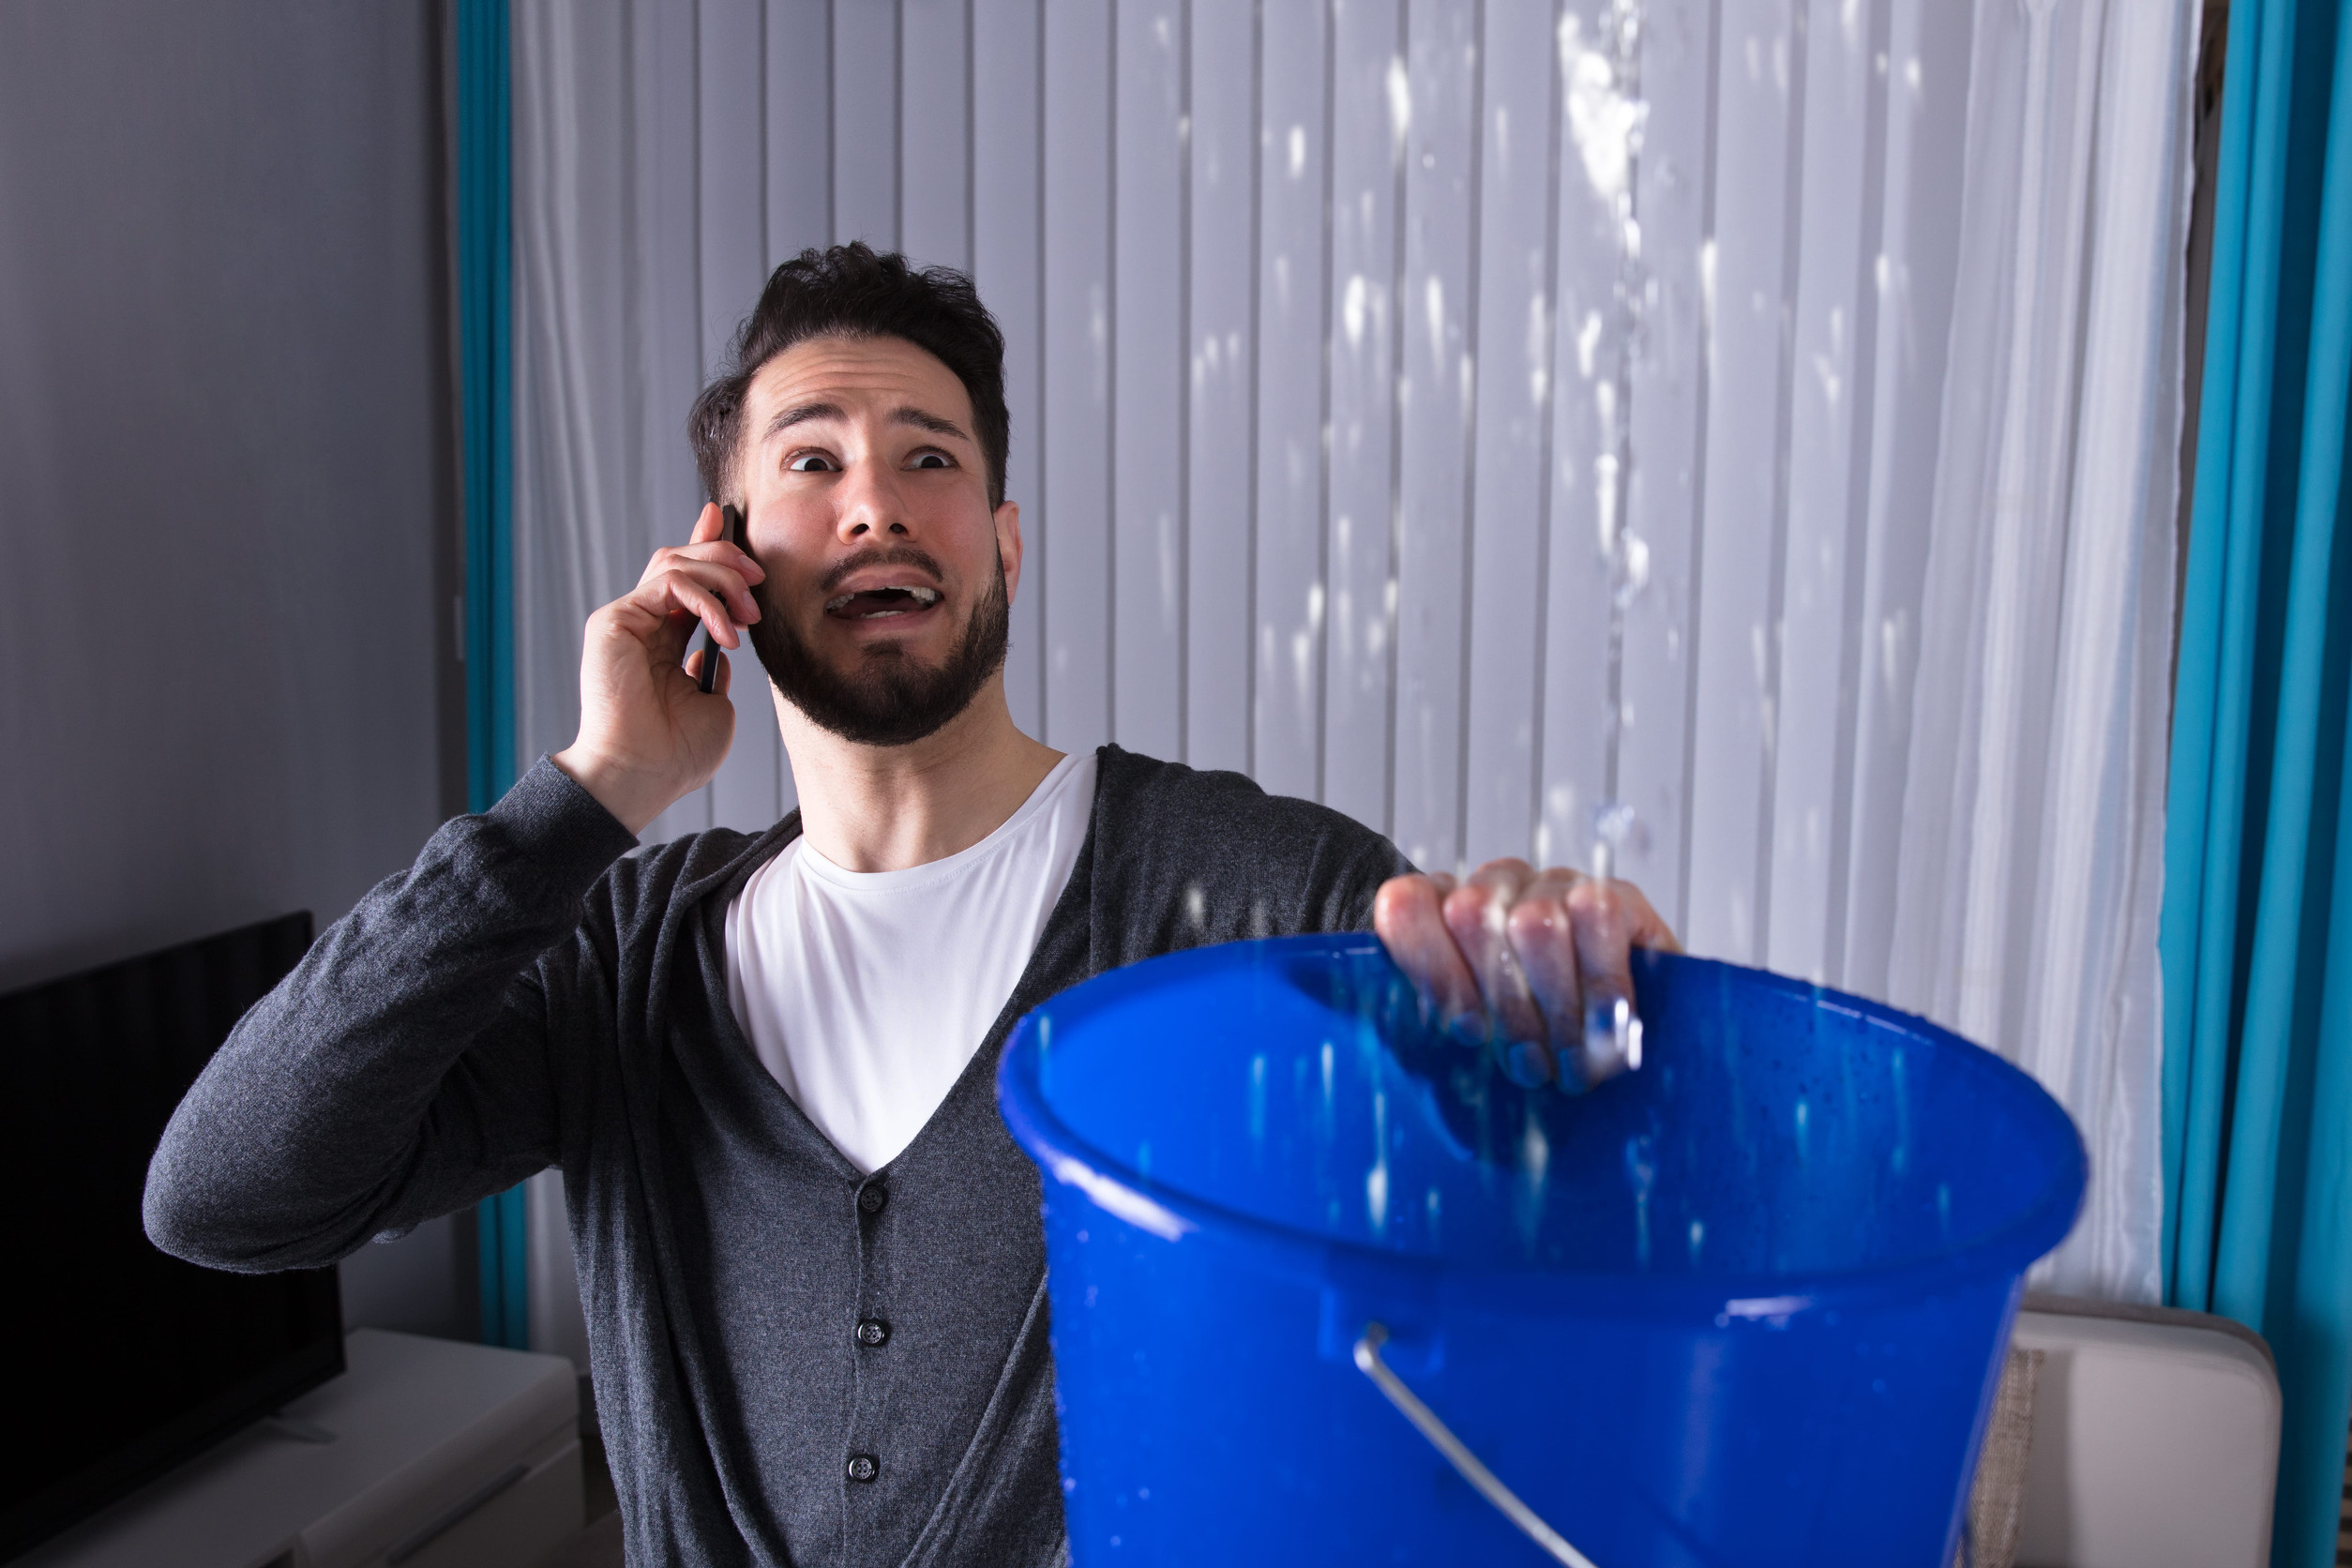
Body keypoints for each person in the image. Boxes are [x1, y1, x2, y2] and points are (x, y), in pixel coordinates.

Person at [145, 243, 1676, 1567]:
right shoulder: (623, 957)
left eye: (930, 458)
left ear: (1001, 548)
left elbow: (1555, 1209)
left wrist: (1585, 994)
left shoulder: (1248, 888)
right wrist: (587, 792)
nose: (875, 502)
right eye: (811, 462)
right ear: (721, 562)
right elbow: (226, 1195)